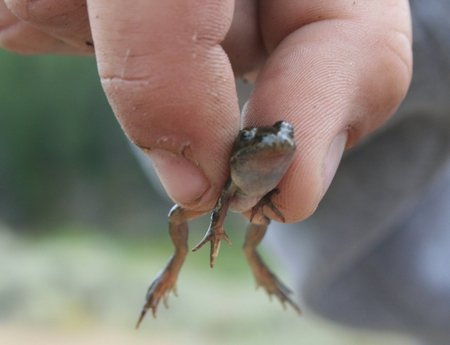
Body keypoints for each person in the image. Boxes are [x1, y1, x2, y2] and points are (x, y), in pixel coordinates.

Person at [1, 1, 448, 344]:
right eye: (263, 138)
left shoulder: (286, 152)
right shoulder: (241, 163)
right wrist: (217, 229)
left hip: (271, 201)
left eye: (284, 135)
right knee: (193, 212)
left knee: (260, 226)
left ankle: (253, 267)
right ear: (247, 148)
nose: (278, 141)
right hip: (234, 189)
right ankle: (175, 271)